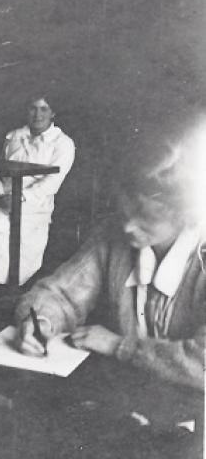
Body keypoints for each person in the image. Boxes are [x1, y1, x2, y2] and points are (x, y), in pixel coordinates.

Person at [14, 128, 205, 391]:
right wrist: (42, 321)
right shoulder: (114, 234)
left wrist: (119, 346)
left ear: (186, 216)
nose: (128, 227)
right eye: (125, 212)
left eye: (146, 219)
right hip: (125, 391)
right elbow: (61, 293)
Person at [0, 94, 75, 285]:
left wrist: (19, 198)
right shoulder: (14, 136)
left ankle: (9, 293)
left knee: (20, 260)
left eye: (44, 109)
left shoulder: (63, 143)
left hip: (33, 206)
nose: (37, 114)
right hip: (2, 200)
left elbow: (52, 182)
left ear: (53, 113)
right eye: (33, 108)